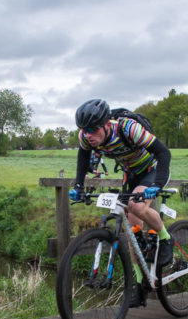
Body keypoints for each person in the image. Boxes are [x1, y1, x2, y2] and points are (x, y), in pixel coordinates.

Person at [68, 99, 173, 306]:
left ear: (107, 124)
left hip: (152, 170)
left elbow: (163, 152)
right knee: (132, 232)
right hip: (130, 174)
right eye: (84, 130)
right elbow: (83, 157)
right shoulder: (86, 137)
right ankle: (141, 284)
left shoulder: (128, 128)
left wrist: (158, 184)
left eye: (93, 129)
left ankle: (165, 237)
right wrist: (79, 186)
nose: (88, 134)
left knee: (136, 206)